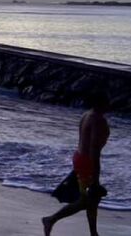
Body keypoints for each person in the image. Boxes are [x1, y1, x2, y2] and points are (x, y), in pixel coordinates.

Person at [43, 91, 111, 236]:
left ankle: (94, 233)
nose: (109, 105)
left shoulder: (87, 115)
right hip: (87, 161)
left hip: (79, 157)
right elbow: (94, 150)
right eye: (107, 102)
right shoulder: (97, 120)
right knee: (87, 200)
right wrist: (96, 180)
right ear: (101, 104)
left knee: (93, 199)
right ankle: (51, 219)